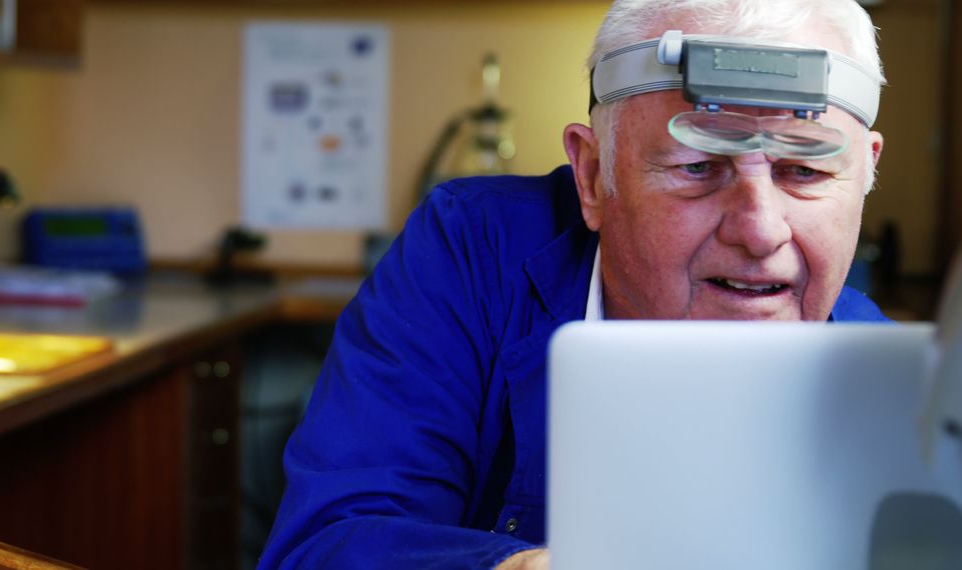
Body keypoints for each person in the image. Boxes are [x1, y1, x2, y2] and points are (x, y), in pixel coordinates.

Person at [258, 0, 888, 568]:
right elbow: (326, 545)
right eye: (698, 167)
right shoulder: (475, 251)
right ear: (592, 177)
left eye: (804, 170)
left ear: (865, 175)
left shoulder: (889, 384)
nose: (760, 230)